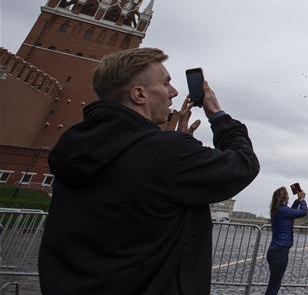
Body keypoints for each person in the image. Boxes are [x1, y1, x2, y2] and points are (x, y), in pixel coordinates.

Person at [38, 47, 260, 294]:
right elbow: (243, 164)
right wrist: (218, 115)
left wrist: (175, 146)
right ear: (139, 94)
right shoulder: (166, 154)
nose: (174, 92)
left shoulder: (73, 145)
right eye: (166, 83)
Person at [265, 185, 308, 295]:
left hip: (273, 250)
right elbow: (302, 213)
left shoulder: (276, 210)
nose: (289, 197)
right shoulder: (283, 211)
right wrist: (303, 200)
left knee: (274, 282)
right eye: (287, 196)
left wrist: (298, 201)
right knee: (274, 285)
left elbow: (290, 211)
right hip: (281, 251)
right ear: (284, 198)